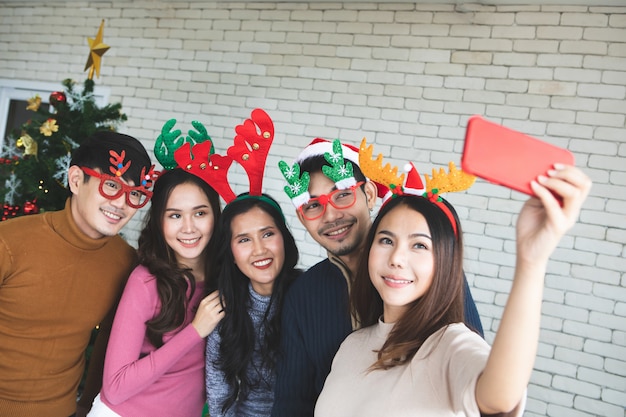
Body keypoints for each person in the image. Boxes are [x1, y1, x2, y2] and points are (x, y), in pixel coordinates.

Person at [315, 164, 591, 416]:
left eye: (420, 245)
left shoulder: (450, 346)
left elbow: (500, 398)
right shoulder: (351, 345)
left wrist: (531, 261)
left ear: (445, 262)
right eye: (386, 240)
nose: (397, 258)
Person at [272, 139, 484, 417]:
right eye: (312, 205)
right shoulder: (302, 295)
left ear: (369, 194)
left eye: (342, 194)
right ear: (302, 217)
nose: (332, 215)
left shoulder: (428, 275)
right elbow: (292, 404)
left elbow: (477, 381)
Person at [0, 131, 154, 417]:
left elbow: (109, 343)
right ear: (75, 180)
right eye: (111, 185)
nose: (121, 204)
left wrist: (87, 405)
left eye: (135, 193)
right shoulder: (8, 242)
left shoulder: (126, 264)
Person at [86, 168, 224, 417]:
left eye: (200, 213)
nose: (189, 228)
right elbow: (116, 387)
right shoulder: (146, 281)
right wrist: (194, 331)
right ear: (159, 221)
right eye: (175, 216)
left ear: (216, 215)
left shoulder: (226, 279)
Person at [206, 193, 301, 417]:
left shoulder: (310, 297)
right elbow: (219, 395)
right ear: (231, 253)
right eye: (244, 239)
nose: (259, 250)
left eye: (267, 234)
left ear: (284, 239)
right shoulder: (225, 310)